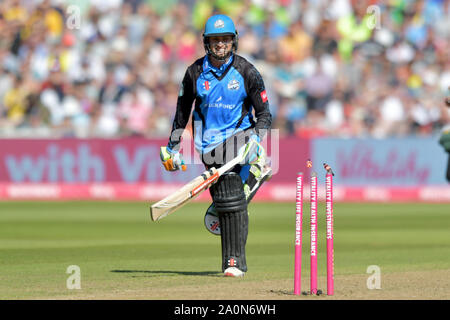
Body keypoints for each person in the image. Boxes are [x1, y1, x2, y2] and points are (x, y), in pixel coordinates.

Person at [159, 14, 272, 277]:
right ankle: (256, 174)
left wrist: (256, 138)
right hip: (208, 146)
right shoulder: (194, 73)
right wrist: (171, 148)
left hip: (240, 136)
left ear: (234, 42)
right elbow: (181, 112)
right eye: (215, 40)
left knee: (231, 193)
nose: (220, 44)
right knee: (229, 202)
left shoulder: (247, 72)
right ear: (206, 43)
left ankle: (233, 263)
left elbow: (265, 114)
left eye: (225, 39)